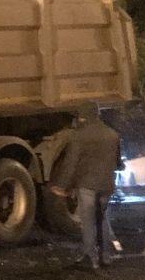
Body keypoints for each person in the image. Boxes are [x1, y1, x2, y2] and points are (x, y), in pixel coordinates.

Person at [49, 103, 122, 270]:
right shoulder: (113, 134)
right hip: (107, 185)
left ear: (83, 116)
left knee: (88, 220)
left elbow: (71, 164)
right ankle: (106, 257)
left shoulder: (78, 136)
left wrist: (61, 185)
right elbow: (119, 164)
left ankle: (91, 257)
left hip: (87, 185)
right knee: (102, 218)